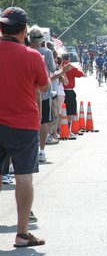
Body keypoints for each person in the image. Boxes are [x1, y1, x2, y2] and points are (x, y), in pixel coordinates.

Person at [0, 7, 49, 248]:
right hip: (23, 125)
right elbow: (43, 86)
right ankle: (21, 233)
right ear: (24, 30)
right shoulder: (33, 56)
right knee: (23, 177)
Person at [28, 26, 57, 162]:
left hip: (28, 92)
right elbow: (52, 69)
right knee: (44, 120)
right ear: (41, 39)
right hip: (43, 91)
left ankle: (31, 150)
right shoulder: (47, 52)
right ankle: (42, 151)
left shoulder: (25, 51)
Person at [61, 53, 84, 136]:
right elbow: (81, 74)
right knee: (70, 111)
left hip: (59, 91)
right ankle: (67, 129)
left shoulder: (58, 66)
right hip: (69, 91)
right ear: (68, 59)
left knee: (59, 111)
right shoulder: (70, 67)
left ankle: (59, 129)